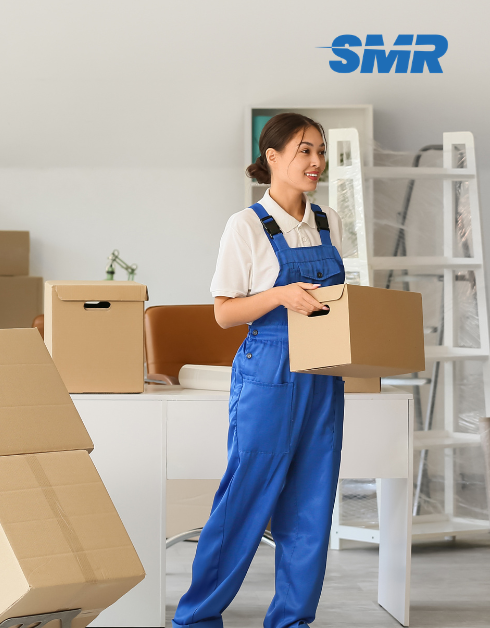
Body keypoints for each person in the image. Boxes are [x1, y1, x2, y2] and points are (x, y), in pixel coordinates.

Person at [172, 112, 345, 628]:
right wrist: (278, 296)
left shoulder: (328, 219)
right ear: (272, 157)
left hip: (322, 372)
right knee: (245, 499)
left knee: (312, 506)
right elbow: (224, 312)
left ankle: (292, 620)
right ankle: (197, 618)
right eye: (304, 151)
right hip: (268, 372)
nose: (316, 162)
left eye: (320, 151)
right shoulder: (246, 225)